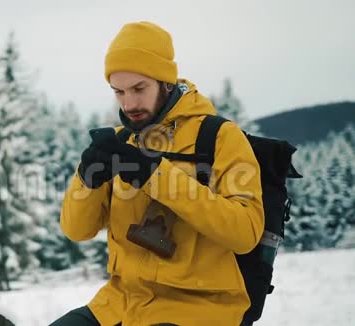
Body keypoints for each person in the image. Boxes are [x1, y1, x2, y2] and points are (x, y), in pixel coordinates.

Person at [51, 21, 265, 326]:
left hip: (200, 308)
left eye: (139, 89)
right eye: (119, 92)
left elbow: (245, 233)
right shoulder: (119, 141)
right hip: (121, 303)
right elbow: (76, 230)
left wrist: (156, 176)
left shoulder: (219, 137)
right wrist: (87, 179)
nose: (129, 103)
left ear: (166, 82)